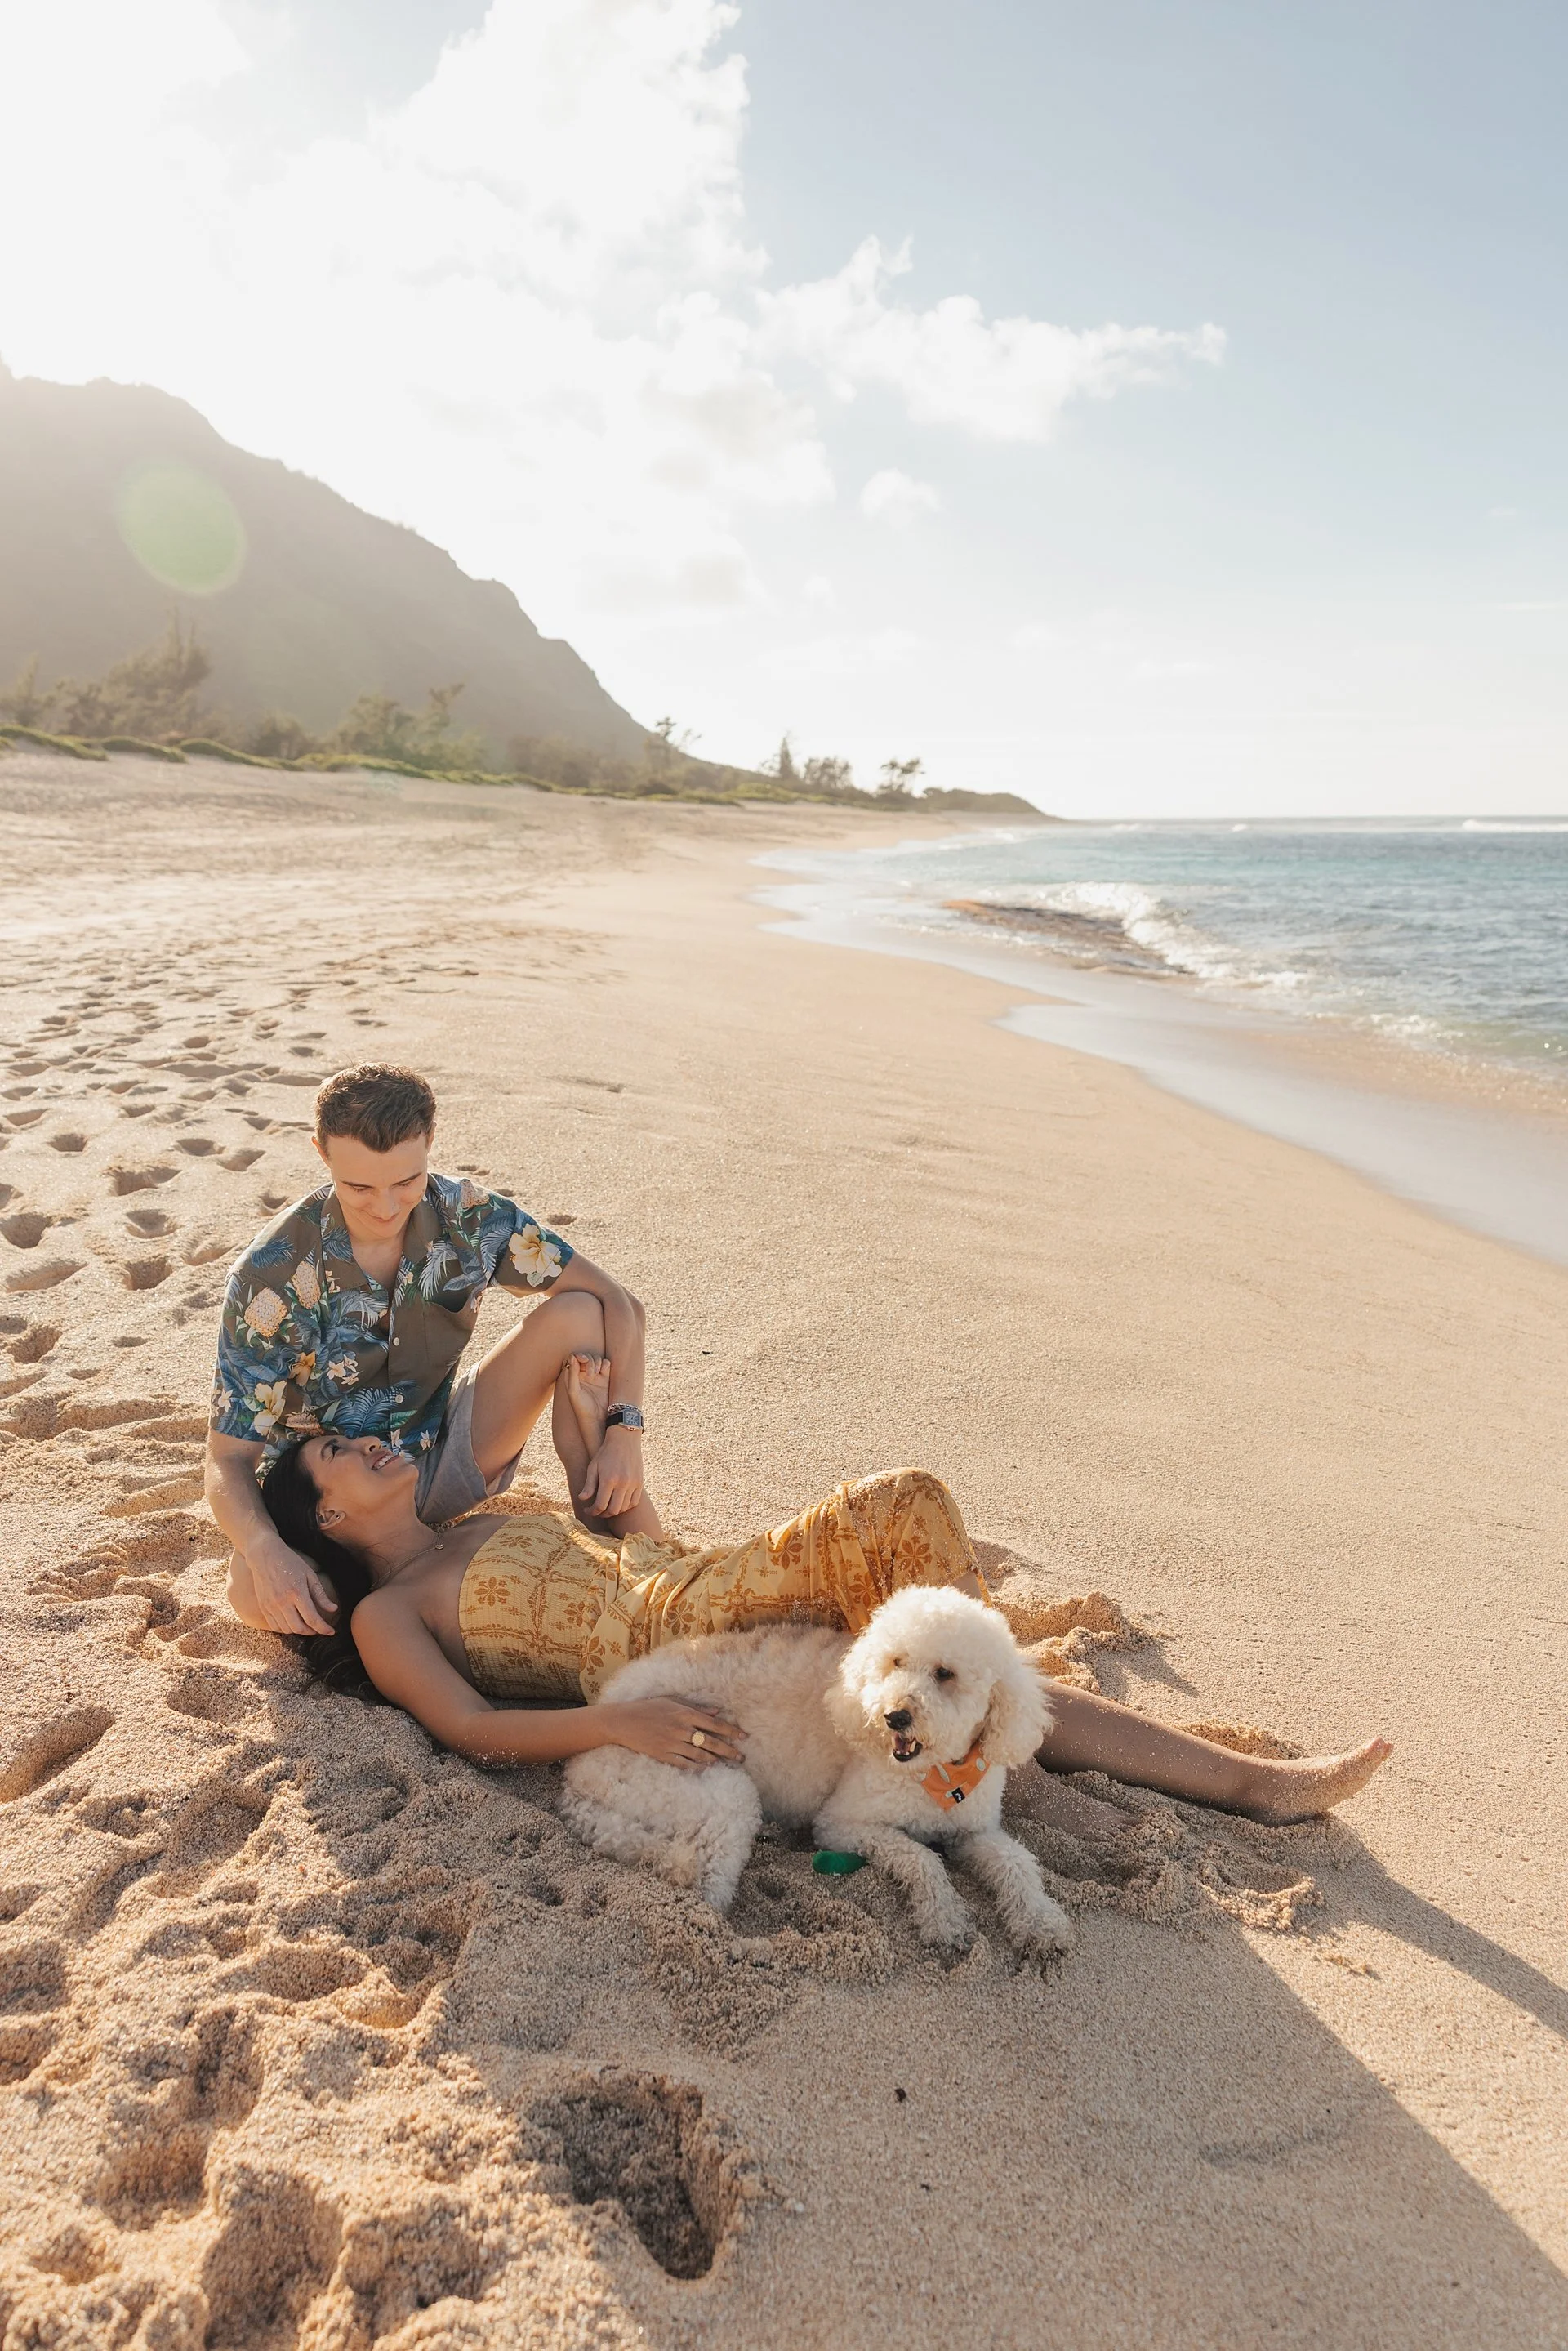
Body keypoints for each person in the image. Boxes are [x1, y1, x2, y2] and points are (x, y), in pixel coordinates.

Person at [231, 1351, 1393, 1825]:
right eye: (339, 1453)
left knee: (938, 1647)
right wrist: (618, 1720)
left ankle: (1245, 1781)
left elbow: (639, 1538)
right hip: (659, 1652)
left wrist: (605, 1435)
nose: (371, 1445)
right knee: (904, 1516)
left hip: (692, 1585)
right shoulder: (388, 1613)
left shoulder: (485, 1518)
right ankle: (991, 1746)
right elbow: (471, 1726)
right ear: (326, 1519)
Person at [206, 1062, 656, 1639]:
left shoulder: (470, 1217)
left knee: (580, 1313)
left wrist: (625, 1430)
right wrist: (266, 1549)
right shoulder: (270, 1277)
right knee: (252, 1593)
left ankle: (601, 1520)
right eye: (360, 1187)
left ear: (430, 1144)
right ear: (322, 1154)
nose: (387, 1208)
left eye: (406, 1181)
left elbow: (620, 1303)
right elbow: (227, 1460)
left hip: (441, 1454)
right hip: (343, 1501)